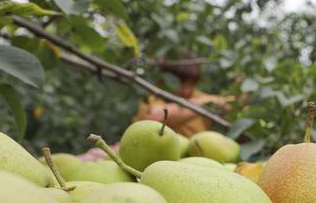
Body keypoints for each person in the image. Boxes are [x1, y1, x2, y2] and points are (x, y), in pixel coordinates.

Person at [79, 56, 234, 161]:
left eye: (192, 84)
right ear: (165, 79)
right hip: (149, 156)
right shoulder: (153, 99)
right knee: (93, 158)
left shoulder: (199, 97)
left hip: (193, 158)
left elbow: (230, 104)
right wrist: (205, 103)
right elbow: (156, 118)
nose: (187, 90)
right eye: (182, 83)